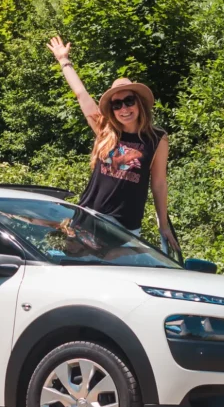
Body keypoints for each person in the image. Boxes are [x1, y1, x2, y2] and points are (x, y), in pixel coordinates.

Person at [47, 35, 178, 251]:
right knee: (75, 266)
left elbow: (159, 184)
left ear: (139, 103)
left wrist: (163, 225)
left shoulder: (157, 139)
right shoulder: (105, 131)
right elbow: (81, 94)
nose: (124, 109)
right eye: (117, 105)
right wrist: (64, 60)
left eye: (129, 101)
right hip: (89, 217)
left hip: (125, 227)